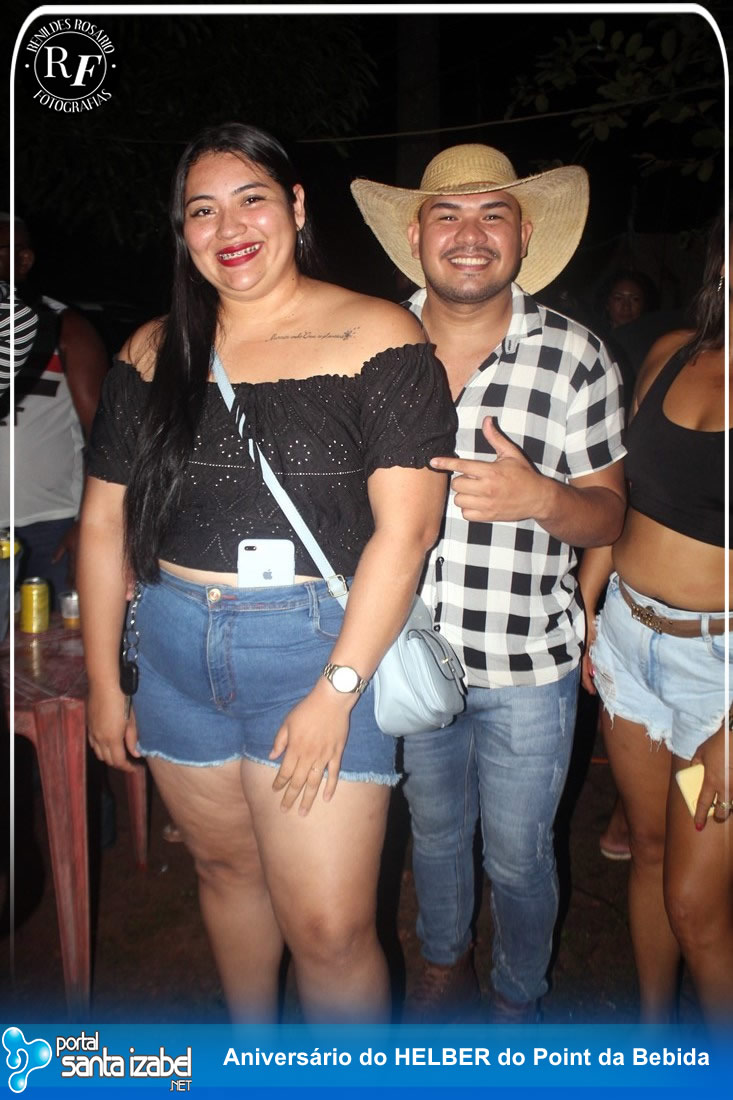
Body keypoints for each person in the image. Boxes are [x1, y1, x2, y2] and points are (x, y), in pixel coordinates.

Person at [77, 121, 457, 1023]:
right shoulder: (150, 350)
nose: (229, 227)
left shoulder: (376, 332)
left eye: (251, 199)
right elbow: (102, 522)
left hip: (315, 648)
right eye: (202, 211)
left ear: (295, 206)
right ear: (183, 232)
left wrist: (337, 690)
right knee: (224, 871)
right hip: (172, 649)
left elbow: (405, 534)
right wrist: (103, 683)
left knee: (330, 929)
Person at [350, 143, 626, 1023]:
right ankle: (443, 961)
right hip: (404, 654)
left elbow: (608, 518)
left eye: (492, 214)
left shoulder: (576, 356)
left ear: (523, 234)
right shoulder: (369, 341)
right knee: (432, 835)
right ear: (415, 236)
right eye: (448, 215)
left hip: (529, 664)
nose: (469, 234)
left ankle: (515, 994)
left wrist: (541, 497)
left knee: (518, 856)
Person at [579, 210, 731, 1024]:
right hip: (629, 642)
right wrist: (590, 605)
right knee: (645, 850)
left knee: (696, 908)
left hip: (720, 681)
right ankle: (652, 1046)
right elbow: (625, 493)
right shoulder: (672, 351)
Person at [0, 213, 109, 607]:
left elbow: (108, 437)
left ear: (23, 260)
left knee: (52, 641)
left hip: (51, 528)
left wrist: (88, 525)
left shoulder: (64, 327)